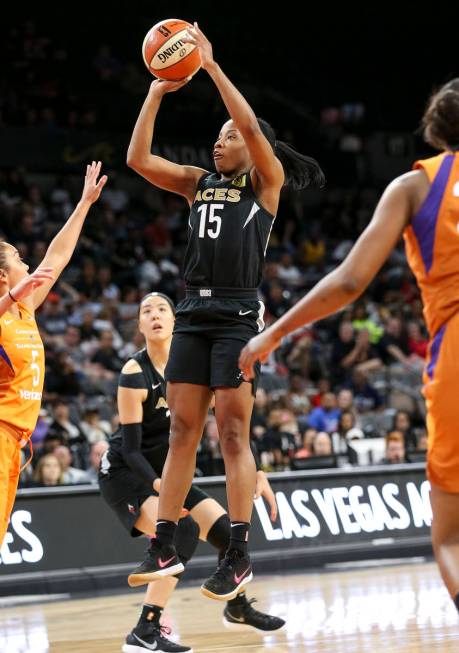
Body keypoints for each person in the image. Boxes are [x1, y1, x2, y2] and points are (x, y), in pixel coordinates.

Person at [239, 78, 459, 612]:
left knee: (452, 537)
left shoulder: (417, 186)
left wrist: (275, 331)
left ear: (435, 132)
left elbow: (348, 282)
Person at [126, 21, 324, 600]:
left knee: (233, 434)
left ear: (248, 142)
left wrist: (209, 67)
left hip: (238, 317)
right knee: (183, 429)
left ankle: (237, 551)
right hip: (192, 314)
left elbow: (243, 122)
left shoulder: (266, 181)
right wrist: (157, 90)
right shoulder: (196, 182)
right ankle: (164, 539)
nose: (219, 142)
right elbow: (137, 158)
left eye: (228, 136)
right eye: (216, 136)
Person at [99, 293, 285, 653]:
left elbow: (235, 426)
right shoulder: (134, 374)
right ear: (139, 325)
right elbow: (132, 450)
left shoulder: (193, 370)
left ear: (177, 320)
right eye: (146, 311)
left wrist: (257, 471)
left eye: (162, 309)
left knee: (227, 533)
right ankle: (144, 630)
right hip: (127, 474)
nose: (154, 315)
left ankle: (237, 606)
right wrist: (162, 486)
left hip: (168, 473)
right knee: (180, 530)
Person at [0, 161, 107, 547]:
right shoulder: (7, 312)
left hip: (17, 442)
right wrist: (10, 296)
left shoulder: (24, 310)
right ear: (2, 275)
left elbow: (55, 259)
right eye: (16, 258)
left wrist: (83, 205)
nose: (27, 263)